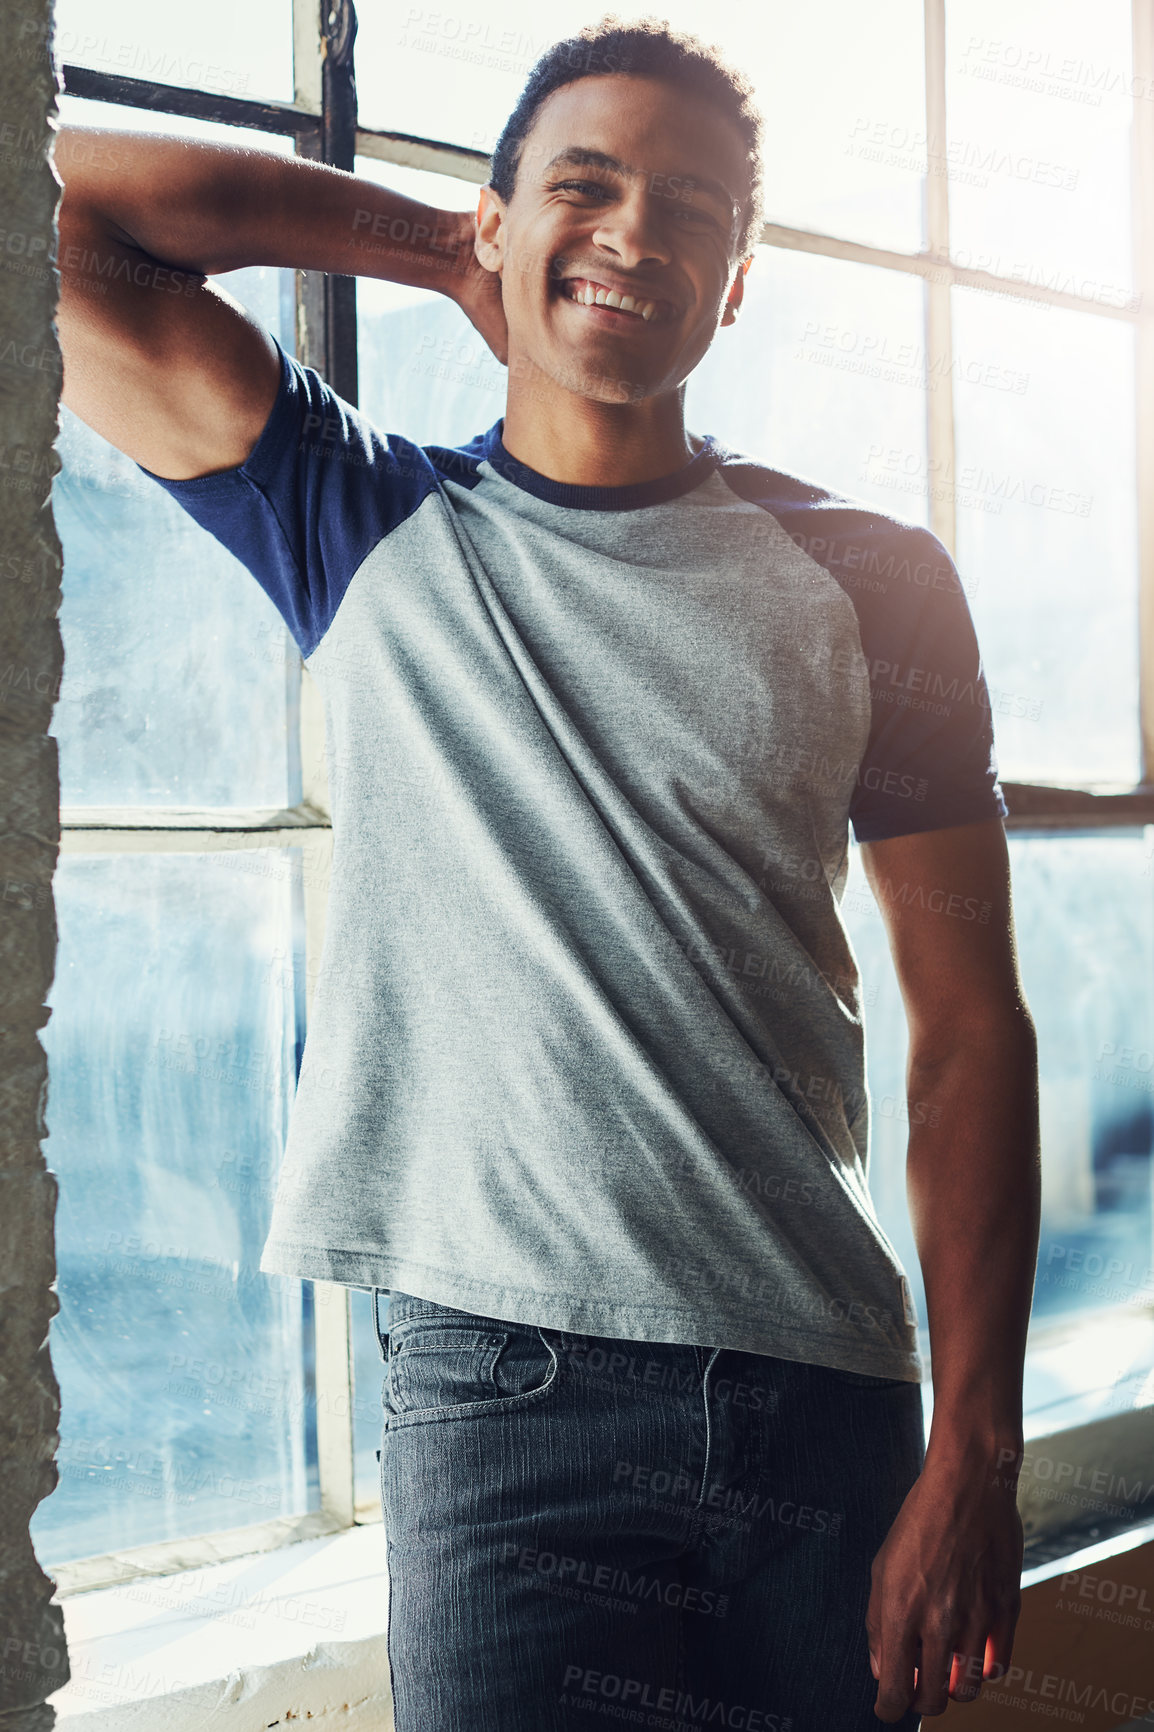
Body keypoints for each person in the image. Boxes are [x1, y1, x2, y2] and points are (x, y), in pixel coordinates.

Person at [54, 16, 1040, 1729]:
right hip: (506, 1408)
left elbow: (964, 1036)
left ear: (735, 281)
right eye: (582, 188)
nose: (636, 236)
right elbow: (45, 205)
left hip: (825, 1397)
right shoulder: (356, 523)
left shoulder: (873, 581)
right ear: (498, 223)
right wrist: (433, 248)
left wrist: (976, 1451)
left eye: (692, 209)